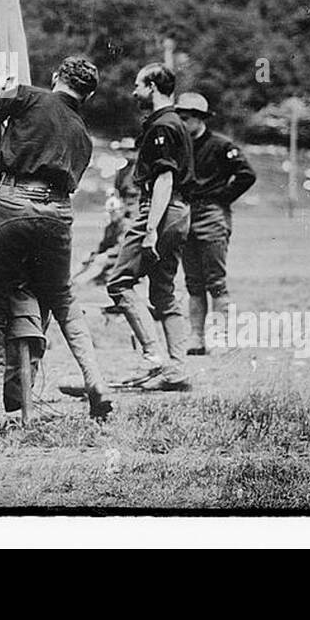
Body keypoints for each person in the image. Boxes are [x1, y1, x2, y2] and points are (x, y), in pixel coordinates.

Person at [0, 56, 113, 424]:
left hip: (11, 205)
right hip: (57, 214)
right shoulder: (82, 135)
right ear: (87, 96)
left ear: (56, 76)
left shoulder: (27, 96)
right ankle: (96, 379)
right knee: (62, 299)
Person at [103, 62, 196, 389]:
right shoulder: (177, 123)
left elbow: (164, 179)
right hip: (180, 212)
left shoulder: (161, 127)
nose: (134, 91)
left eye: (139, 85)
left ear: (153, 87)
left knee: (119, 282)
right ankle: (178, 369)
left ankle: (154, 358)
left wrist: (150, 229)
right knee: (163, 292)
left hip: (160, 210)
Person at [173, 92, 257, 354]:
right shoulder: (179, 146)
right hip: (186, 215)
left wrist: (222, 199)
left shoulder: (221, 145)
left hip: (211, 216)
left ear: (199, 119)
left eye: (185, 119)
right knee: (193, 283)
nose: (182, 123)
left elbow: (246, 175)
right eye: (179, 118)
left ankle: (222, 338)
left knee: (216, 282)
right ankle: (197, 339)